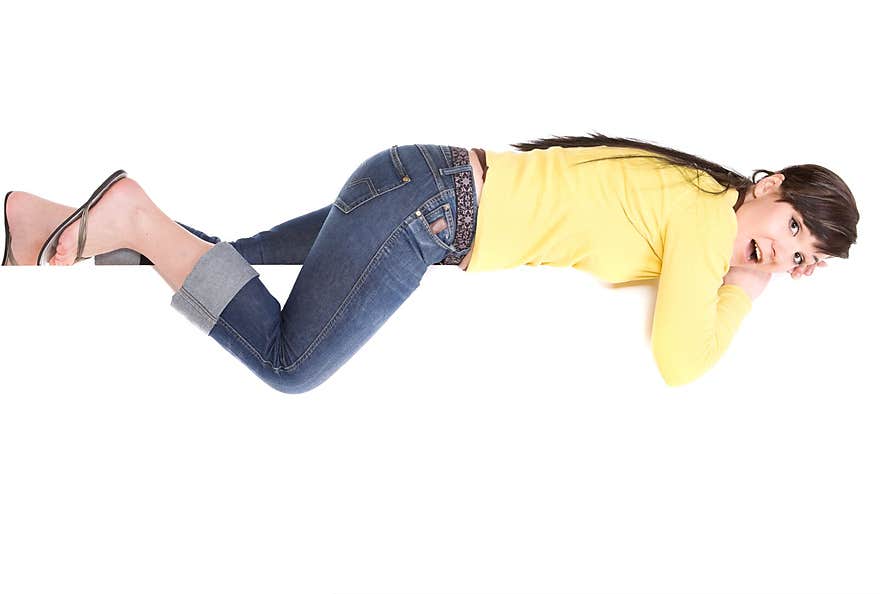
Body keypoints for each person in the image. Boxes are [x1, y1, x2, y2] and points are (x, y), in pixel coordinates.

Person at [1, 135, 859, 390]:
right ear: (770, 183)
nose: (779, 251)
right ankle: (133, 218)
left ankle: (47, 224)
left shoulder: (692, 186)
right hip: (429, 213)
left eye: (798, 256)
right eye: (790, 226)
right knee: (291, 362)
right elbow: (680, 360)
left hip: (420, 185)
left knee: (232, 262)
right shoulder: (708, 229)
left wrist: (763, 260)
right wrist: (748, 286)